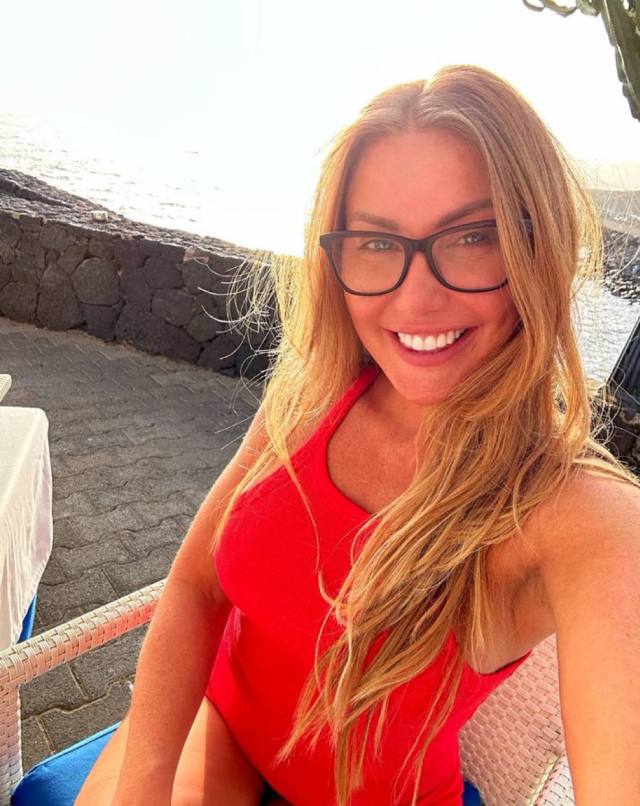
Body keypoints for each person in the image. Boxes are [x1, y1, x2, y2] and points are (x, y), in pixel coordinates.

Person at [76, 64, 640, 806]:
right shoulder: (312, 391)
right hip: (219, 732)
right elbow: (197, 584)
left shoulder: (581, 518)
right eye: (376, 243)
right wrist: (141, 788)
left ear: (540, 248)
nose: (416, 297)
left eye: (473, 236)